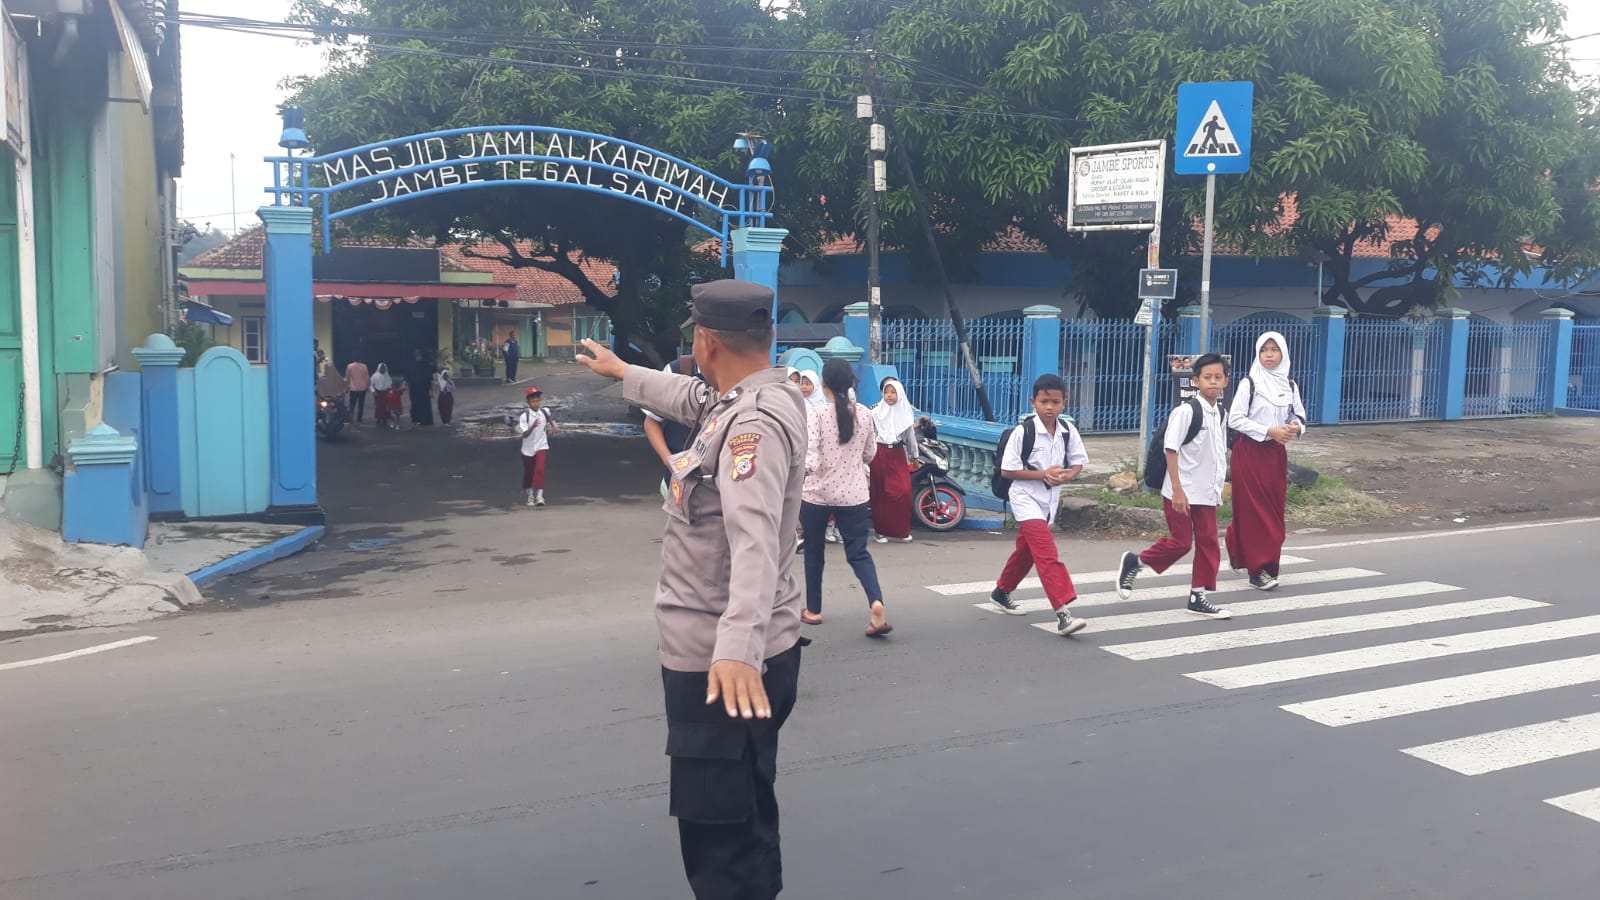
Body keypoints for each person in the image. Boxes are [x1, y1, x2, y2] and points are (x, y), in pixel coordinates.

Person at [576, 279, 806, 900]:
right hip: (748, 648)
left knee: (719, 839)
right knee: (746, 808)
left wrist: (736, 651)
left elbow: (754, 541)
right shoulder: (756, 396)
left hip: (719, 661)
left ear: (706, 342)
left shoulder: (752, 425)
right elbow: (689, 395)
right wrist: (624, 372)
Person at [1116, 353, 1234, 619]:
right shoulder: (1186, 412)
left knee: (1209, 543)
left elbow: (1217, 454)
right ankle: (1135, 562)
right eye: (1207, 377)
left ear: (1226, 382)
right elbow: (1171, 449)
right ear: (1196, 381)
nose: (1213, 382)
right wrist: (1178, 490)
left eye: (1218, 377)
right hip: (1181, 491)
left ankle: (1198, 596)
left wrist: (1217, 490)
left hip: (1206, 492)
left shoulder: (1221, 413)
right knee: (1180, 543)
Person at [988, 374, 1090, 635]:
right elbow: (1008, 471)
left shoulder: (1068, 431)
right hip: (1025, 497)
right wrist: (1043, 474)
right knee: (1046, 552)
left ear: (1064, 402)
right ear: (1033, 402)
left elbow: (1078, 462)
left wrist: (1067, 475)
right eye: (1044, 402)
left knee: (1027, 551)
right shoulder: (1024, 432)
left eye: (1055, 402)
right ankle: (1063, 612)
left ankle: (1001, 591)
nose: (1049, 407)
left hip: (1049, 500)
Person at [799, 359, 891, 637]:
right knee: (859, 553)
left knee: (814, 553)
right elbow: (870, 454)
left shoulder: (817, 415)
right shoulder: (865, 414)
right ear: (851, 382)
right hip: (854, 495)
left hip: (817, 494)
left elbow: (811, 458)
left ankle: (813, 610)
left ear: (824, 383)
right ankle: (876, 604)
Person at [1225, 331, 1307, 591]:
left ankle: (1235, 542)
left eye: (1274, 350)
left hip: (1275, 455)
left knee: (1273, 510)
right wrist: (1268, 430)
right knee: (1255, 511)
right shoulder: (1249, 383)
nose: (1269, 355)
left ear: (1284, 353)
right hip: (1249, 452)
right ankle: (1258, 569)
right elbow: (1235, 419)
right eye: (1264, 350)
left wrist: (1295, 427)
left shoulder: (1289, 385)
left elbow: (1298, 415)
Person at [643, 354, 704, 494]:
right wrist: (669, 461)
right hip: (678, 478)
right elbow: (652, 421)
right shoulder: (677, 370)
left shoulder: (741, 373)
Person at [868, 378, 918, 543]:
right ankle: (880, 531)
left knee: (903, 492)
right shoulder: (875, 413)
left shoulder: (905, 415)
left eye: (893, 392)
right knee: (880, 493)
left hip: (897, 454)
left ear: (900, 394)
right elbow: (869, 435)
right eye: (886, 392)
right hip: (879, 453)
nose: (889, 395)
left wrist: (915, 456)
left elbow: (910, 439)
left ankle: (900, 531)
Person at [517, 386, 554, 506]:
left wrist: (553, 425)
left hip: (541, 445)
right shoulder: (524, 416)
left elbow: (548, 416)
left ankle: (539, 496)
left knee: (539, 470)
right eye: (533, 401)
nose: (536, 404)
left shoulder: (544, 411)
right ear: (528, 402)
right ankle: (530, 496)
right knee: (529, 472)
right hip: (527, 449)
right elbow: (525, 435)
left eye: (538, 401)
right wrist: (532, 426)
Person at [409, 349, 435, 428]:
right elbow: (408, 376)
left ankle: (425, 420)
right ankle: (415, 419)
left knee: (424, 404)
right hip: (414, 389)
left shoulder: (425, 365)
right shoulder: (412, 365)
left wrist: (431, 390)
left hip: (423, 389)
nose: (417, 356)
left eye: (418, 355)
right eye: (416, 355)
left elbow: (430, 378)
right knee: (415, 405)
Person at [344, 357, 371, 426]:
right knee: (361, 405)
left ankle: (350, 418)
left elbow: (347, 377)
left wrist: (346, 387)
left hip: (353, 388)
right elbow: (367, 377)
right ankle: (359, 419)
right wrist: (367, 386)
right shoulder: (364, 366)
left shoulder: (349, 366)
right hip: (362, 388)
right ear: (360, 359)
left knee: (352, 405)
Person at [371, 363, 394, 429]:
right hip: (378, 393)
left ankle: (384, 418)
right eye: (381, 368)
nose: (382, 369)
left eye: (383, 368)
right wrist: (373, 391)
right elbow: (371, 385)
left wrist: (390, 392)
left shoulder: (387, 376)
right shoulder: (375, 376)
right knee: (378, 406)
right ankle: (378, 418)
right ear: (379, 368)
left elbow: (390, 385)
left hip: (385, 393)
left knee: (385, 406)